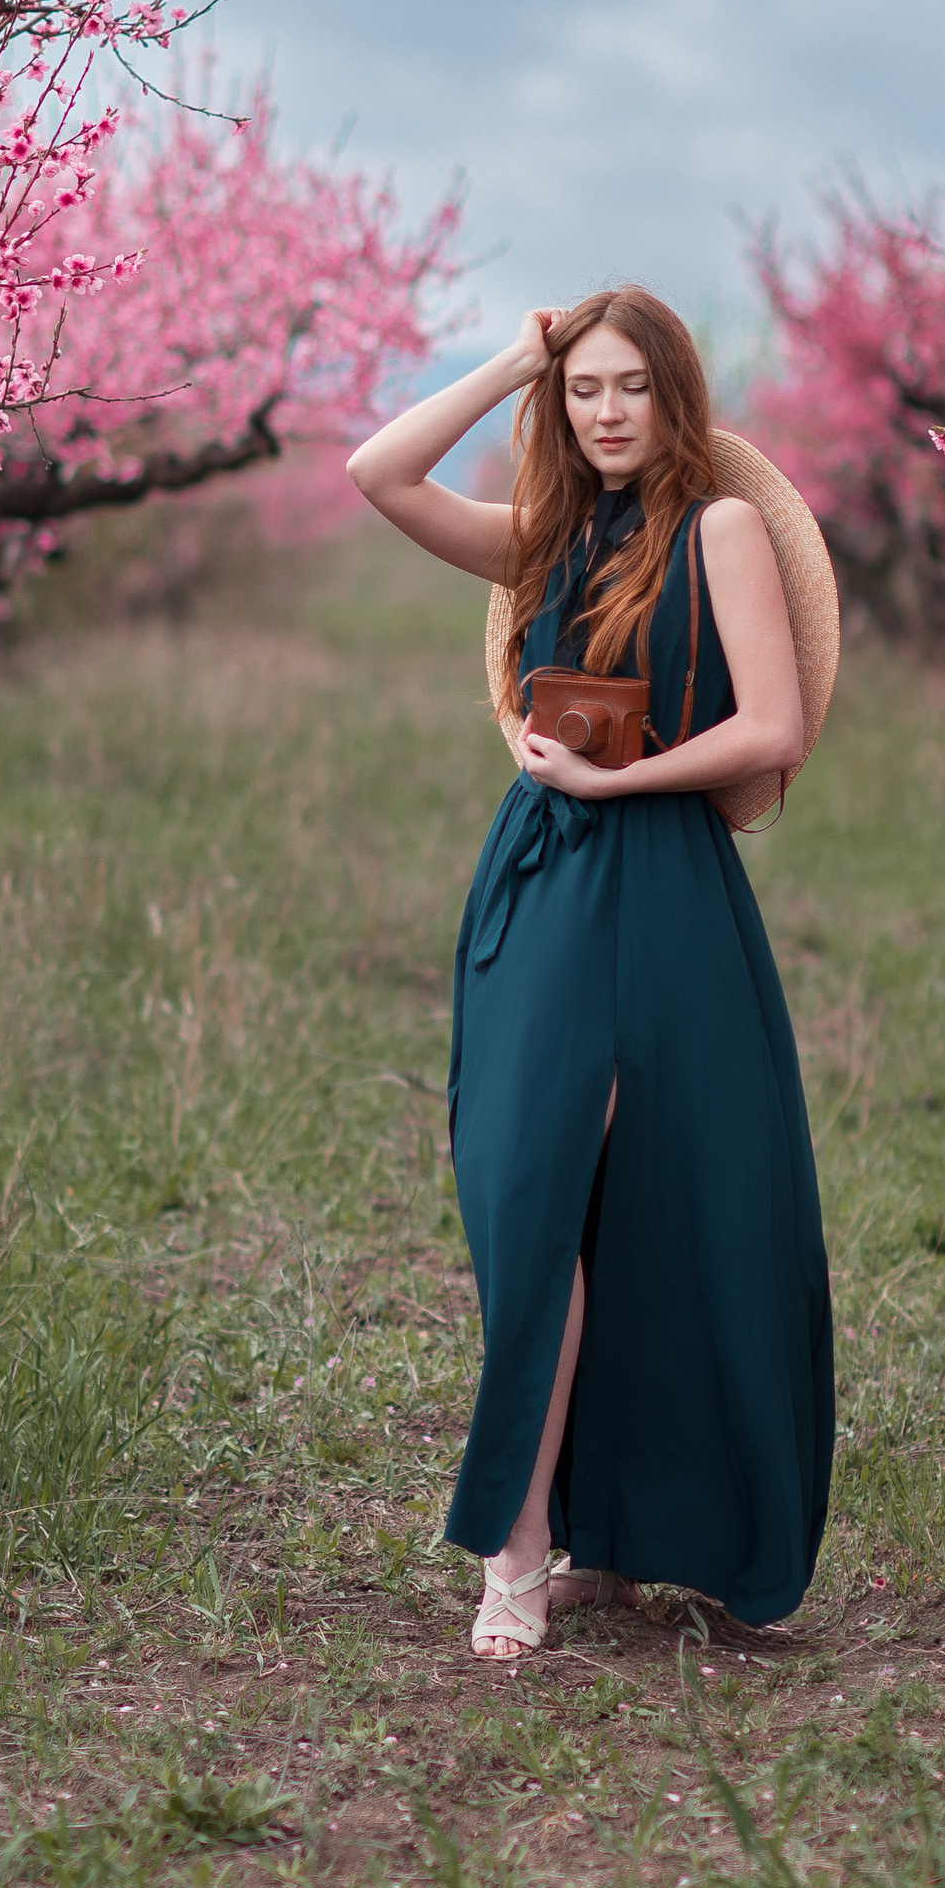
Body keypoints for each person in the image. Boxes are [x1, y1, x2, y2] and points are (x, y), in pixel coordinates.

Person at [347, 289, 836, 1658]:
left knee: (665, 1204)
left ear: (676, 400)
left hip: (664, 883)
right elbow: (376, 474)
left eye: (630, 388)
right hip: (540, 882)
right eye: (585, 391)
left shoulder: (721, 529)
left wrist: (622, 781)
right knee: (526, 1195)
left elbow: (774, 725)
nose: (606, 412)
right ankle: (554, 1534)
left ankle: (553, 1552)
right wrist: (517, 358)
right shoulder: (547, 536)